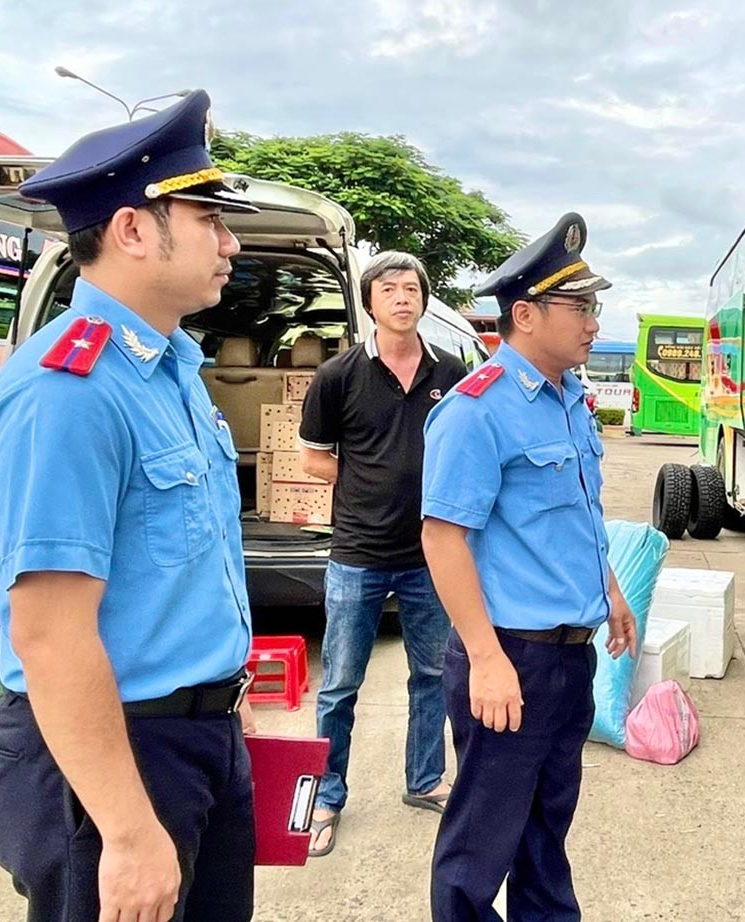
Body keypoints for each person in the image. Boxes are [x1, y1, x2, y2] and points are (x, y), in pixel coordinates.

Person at [0, 91, 262, 922]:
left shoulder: (169, 371)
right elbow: (50, 633)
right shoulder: (69, 391)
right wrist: (129, 834)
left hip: (195, 739)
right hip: (111, 759)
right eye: (210, 219)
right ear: (133, 230)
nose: (231, 242)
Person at [421, 212, 638, 921]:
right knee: (480, 846)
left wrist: (611, 593)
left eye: (593, 307)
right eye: (580, 307)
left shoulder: (571, 399)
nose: (593, 323)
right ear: (525, 315)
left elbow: (578, 516)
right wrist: (485, 659)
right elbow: (443, 539)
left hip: (568, 658)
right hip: (510, 658)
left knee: (547, 833)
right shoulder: (477, 410)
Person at [297, 250, 467, 857]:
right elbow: (312, 456)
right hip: (357, 554)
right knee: (340, 683)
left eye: (412, 288)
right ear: (370, 302)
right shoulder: (337, 375)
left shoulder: (450, 370)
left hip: (429, 554)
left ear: (424, 299)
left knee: (432, 675)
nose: (402, 297)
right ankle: (327, 796)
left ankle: (425, 780)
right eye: (389, 289)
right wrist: (366, 482)